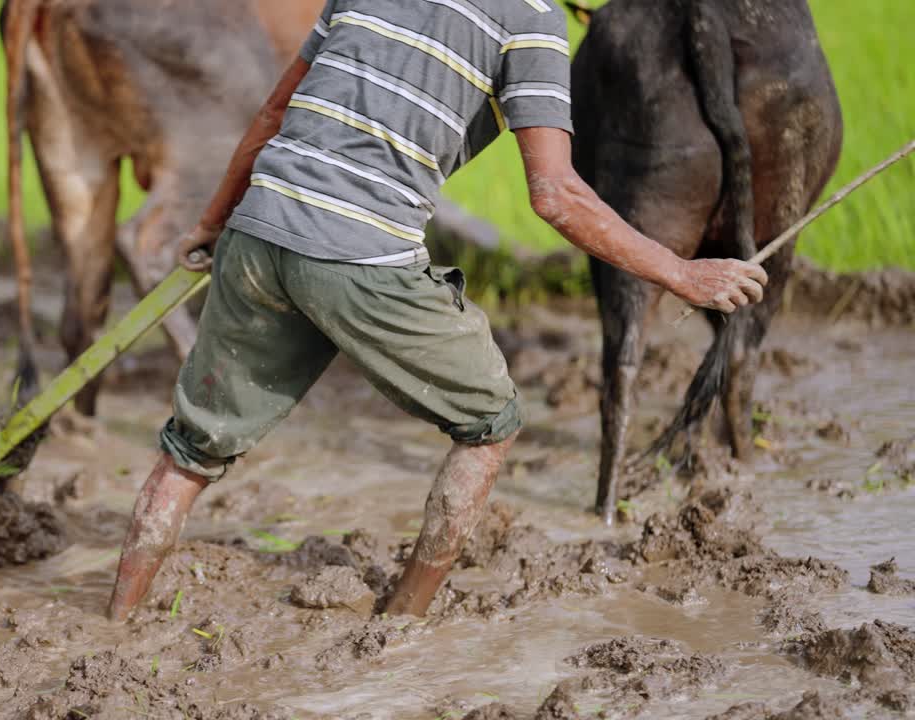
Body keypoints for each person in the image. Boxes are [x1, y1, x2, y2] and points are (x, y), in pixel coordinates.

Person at [106, 0, 767, 621]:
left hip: (258, 231)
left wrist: (213, 222)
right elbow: (556, 195)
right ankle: (404, 624)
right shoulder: (530, 18)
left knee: (190, 449)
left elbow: (276, 112)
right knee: (491, 420)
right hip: (361, 257)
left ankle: (117, 622)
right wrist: (681, 272)